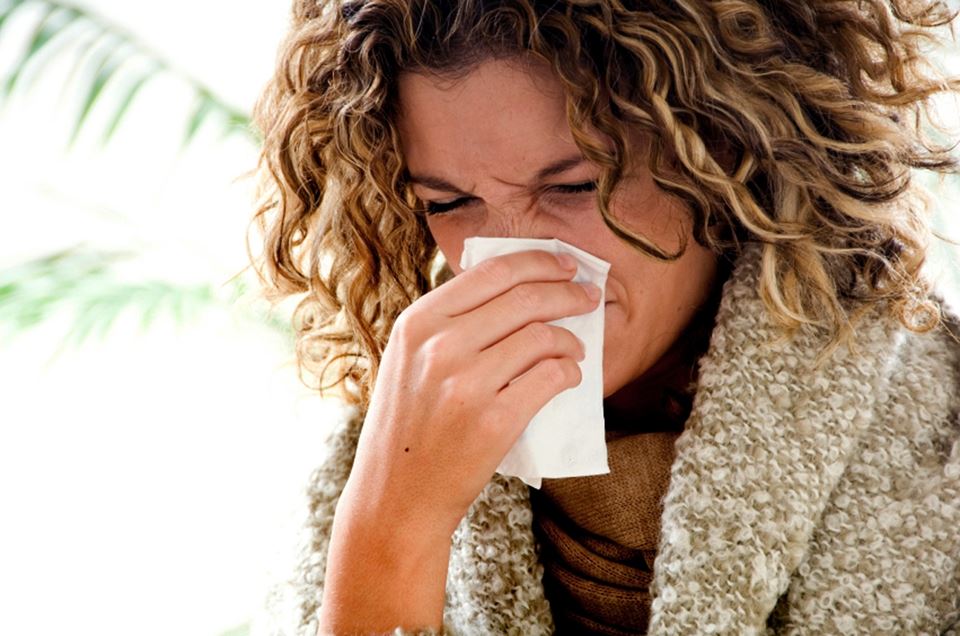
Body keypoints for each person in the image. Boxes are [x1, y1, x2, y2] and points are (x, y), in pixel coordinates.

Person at [247, 0, 960, 634]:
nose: (513, 255)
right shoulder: (382, 449)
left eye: (574, 186)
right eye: (450, 203)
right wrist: (392, 527)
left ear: (723, 152)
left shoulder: (941, 446)